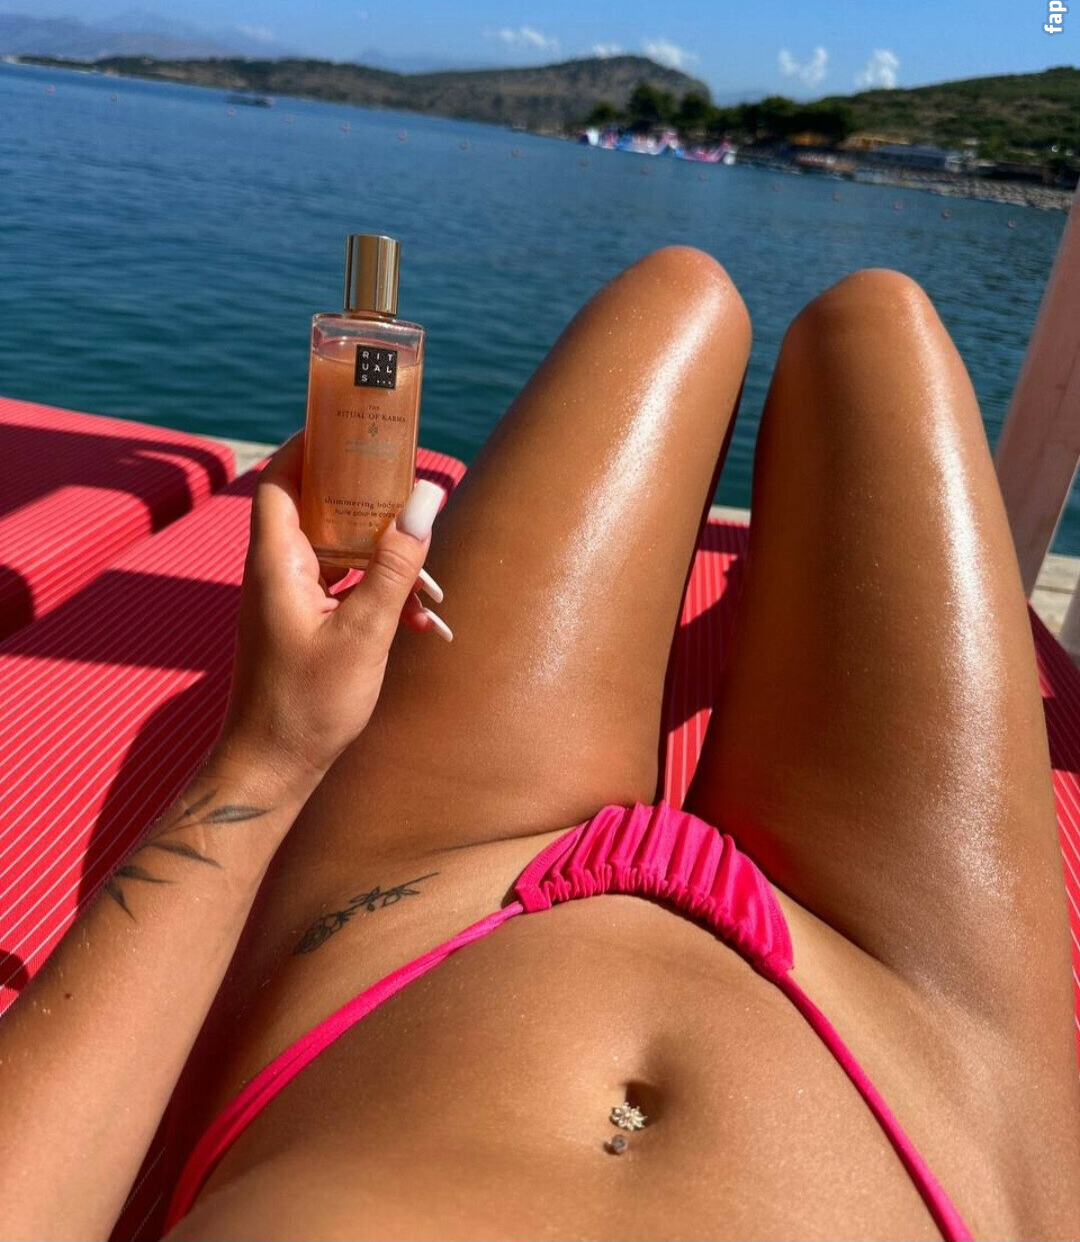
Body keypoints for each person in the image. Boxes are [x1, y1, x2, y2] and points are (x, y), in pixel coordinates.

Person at [1, 248, 1078, 1241]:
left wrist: (269, 756)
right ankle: (768, 604)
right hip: (920, 1064)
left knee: (681, 293)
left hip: (406, 926)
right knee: (875, 321)